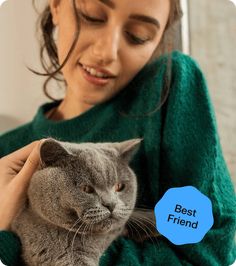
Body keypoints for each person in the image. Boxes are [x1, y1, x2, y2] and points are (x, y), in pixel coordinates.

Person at [0, 0, 235, 265]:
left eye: (138, 36)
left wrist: (42, 248)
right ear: (55, 6)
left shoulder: (167, 88)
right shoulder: (5, 151)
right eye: (92, 17)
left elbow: (212, 253)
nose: (106, 52)